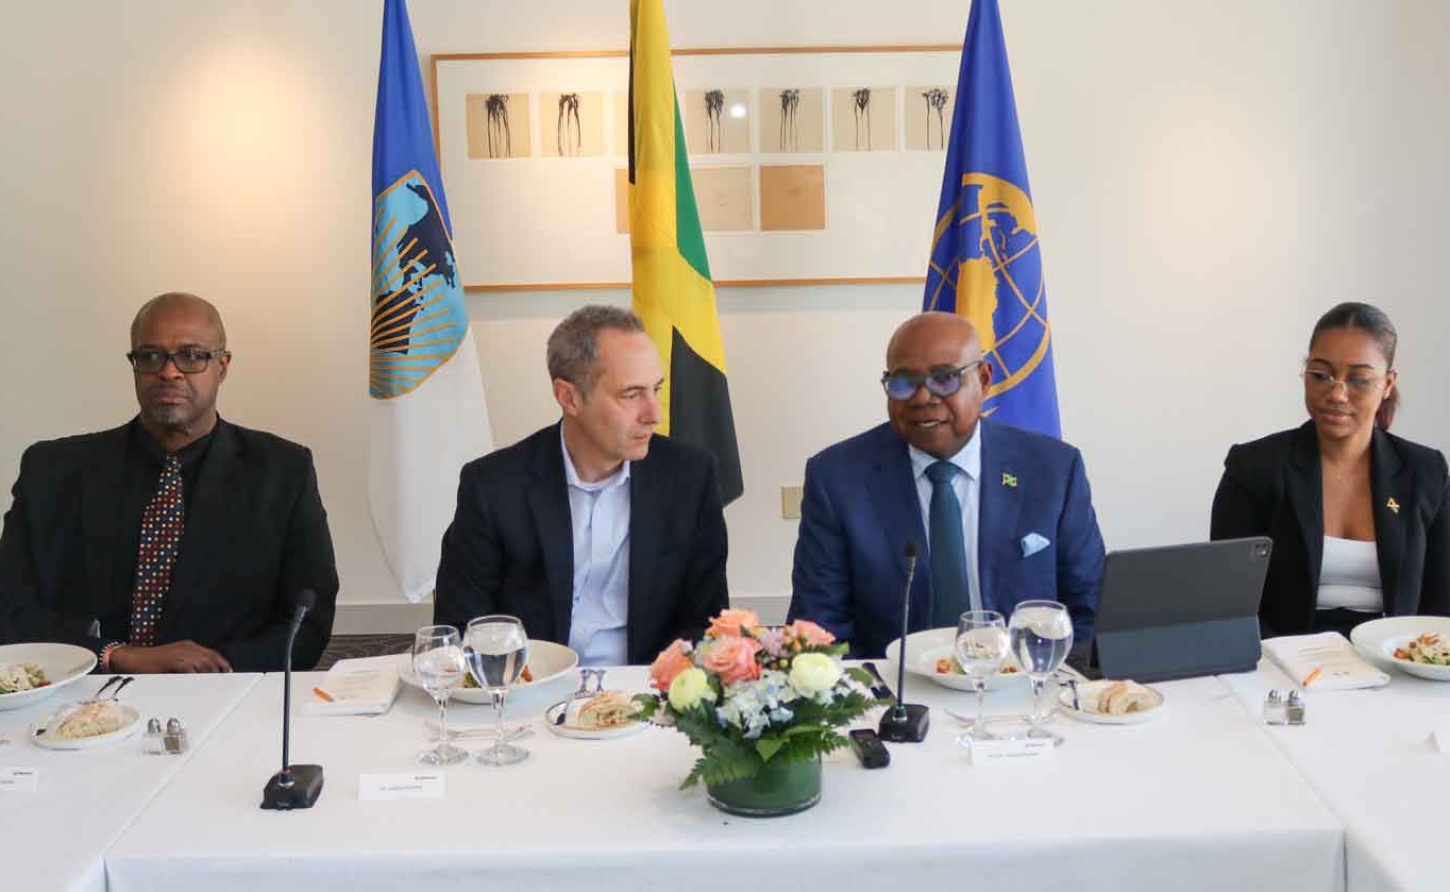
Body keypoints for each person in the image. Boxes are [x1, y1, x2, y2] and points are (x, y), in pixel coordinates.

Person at [0, 293, 338, 672]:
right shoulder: (53, 471)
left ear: (222, 366)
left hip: (229, 700)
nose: (169, 372)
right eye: (150, 356)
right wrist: (115, 656)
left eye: (192, 355)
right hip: (78, 703)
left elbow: (308, 620)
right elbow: (9, 608)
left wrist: (205, 672)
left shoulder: (282, 471)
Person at [788, 311, 1105, 658]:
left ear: (983, 380)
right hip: (894, 691)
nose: (922, 398)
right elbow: (819, 629)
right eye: (904, 382)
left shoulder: (1052, 470)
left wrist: (1055, 693)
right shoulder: (838, 479)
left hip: (1023, 688)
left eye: (944, 378)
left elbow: (1090, 610)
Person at [434, 305, 728, 664]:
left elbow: (707, 621)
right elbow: (463, 624)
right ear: (568, 397)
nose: (655, 414)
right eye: (631, 395)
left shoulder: (690, 478)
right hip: (531, 690)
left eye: (656, 389)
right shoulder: (493, 486)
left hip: (646, 691)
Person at [1211, 302, 1448, 637]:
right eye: (1321, 375)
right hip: (1283, 660)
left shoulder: (1425, 472)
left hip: (1393, 661)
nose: (1336, 393)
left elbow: (1440, 607)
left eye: (1359, 380)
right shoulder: (1254, 468)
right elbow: (1229, 601)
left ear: (1388, 384)